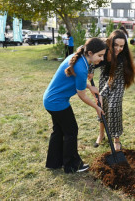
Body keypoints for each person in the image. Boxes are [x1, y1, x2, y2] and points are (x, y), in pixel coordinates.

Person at [43, 38, 106, 173]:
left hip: (50, 100)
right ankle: (72, 165)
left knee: (59, 131)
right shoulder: (81, 67)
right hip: (57, 102)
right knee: (71, 131)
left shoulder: (78, 58)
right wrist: (97, 107)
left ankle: (54, 162)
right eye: (100, 55)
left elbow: (76, 80)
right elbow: (81, 96)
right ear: (90, 53)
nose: (102, 58)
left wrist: (89, 87)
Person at [94, 30, 135, 151]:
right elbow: (87, 52)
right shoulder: (103, 48)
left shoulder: (122, 58)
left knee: (113, 107)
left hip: (117, 80)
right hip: (104, 77)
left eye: (122, 46)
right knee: (102, 107)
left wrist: (101, 94)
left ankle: (116, 139)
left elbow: (112, 80)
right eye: (116, 45)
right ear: (110, 43)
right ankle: (101, 134)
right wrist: (90, 72)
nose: (119, 48)